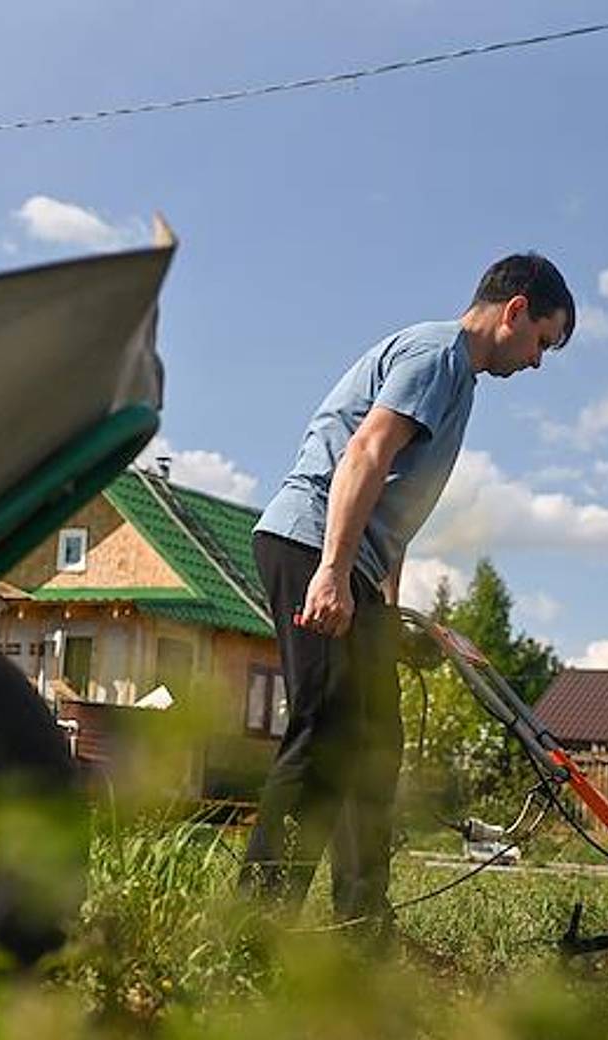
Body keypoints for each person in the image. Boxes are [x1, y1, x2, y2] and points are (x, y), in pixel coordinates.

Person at [239, 253, 575, 923]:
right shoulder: (437, 355)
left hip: (353, 557)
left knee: (376, 745)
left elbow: (400, 507)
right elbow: (365, 453)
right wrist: (332, 572)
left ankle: (362, 927)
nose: (537, 361)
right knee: (327, 730)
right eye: (542, 340)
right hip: (312, 542)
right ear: (515, 310)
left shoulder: (460, 382)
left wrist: (386, 611)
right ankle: (255, 927)